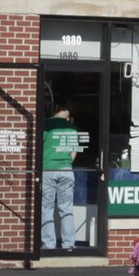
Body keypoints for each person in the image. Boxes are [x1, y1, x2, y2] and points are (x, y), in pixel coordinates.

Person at [41, 104, 83, 252]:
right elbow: (73, 153)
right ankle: (69, 244)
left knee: (46, 208)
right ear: (68, 116)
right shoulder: (72, 129)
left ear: (54, 112)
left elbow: (38, 147)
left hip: (48, 169)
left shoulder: (46, 125)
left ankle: (48, 244)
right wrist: (65, 163)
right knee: (66, 209)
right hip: (66, 170)